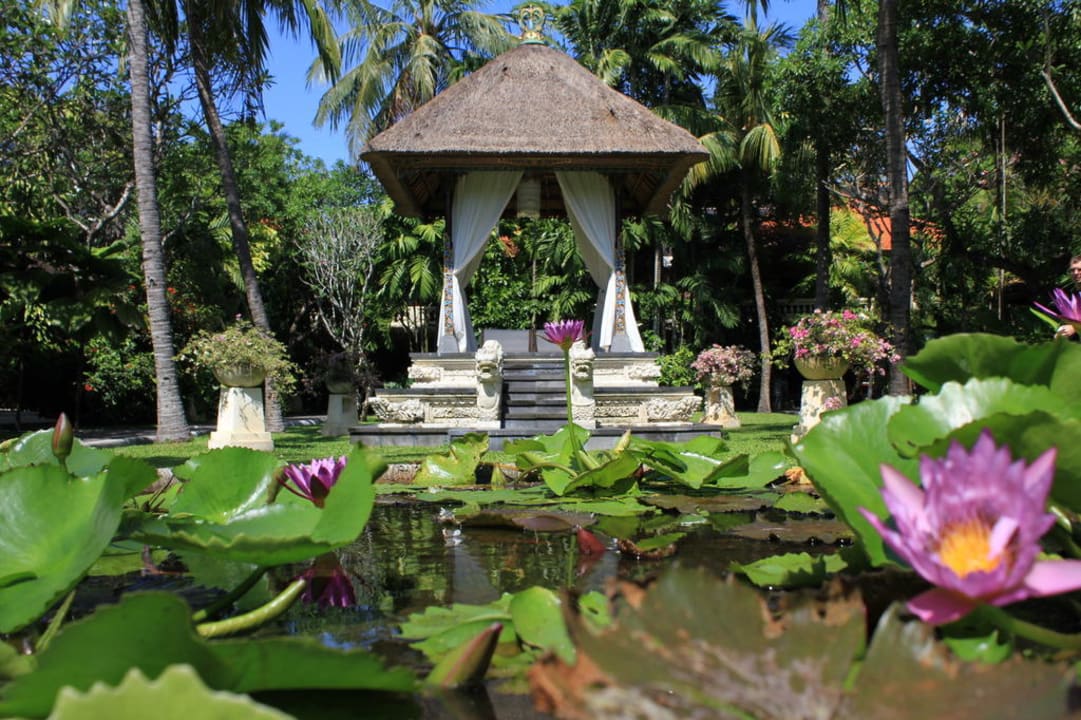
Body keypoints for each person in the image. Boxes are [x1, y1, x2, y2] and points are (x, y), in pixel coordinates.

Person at [1055, 254, 1081, 338]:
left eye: (1080, 269)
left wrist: (1074, 327)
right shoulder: (1076, 294)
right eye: (1072, 270)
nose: (1076, 273)